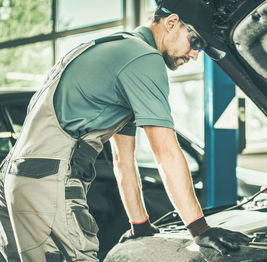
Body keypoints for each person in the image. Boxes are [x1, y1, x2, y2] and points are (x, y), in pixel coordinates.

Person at [0, 0, 250, 261]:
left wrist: (139, 224)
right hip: (47, 183)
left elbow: (123, 160)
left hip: (14, 180)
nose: (195, 54)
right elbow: (165, 151)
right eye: (196, 42)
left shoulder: (114, 49)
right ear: (172, 22)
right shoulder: (144, 59)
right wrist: (199, 228)